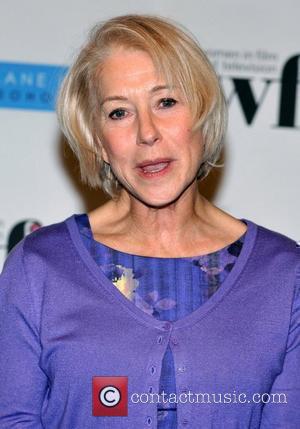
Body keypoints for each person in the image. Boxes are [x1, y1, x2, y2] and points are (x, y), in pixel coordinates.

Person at [0, 14, 299, 429]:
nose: (147, 133)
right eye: (119, 112)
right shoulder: (40, 267)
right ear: (96, 139)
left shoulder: (285, 274)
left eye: (166, 102)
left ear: (203, 114)